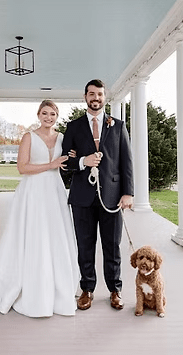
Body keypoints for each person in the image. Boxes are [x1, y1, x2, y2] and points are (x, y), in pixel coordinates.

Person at [0, 100, 79, 318]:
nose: (49, 117)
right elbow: (22, 168)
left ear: (57, 116)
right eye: (45, 113)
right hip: (33, 192)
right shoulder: (29, 136)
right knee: (34, 235)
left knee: (56, 235)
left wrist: (70, 158)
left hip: (55, 191)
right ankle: (32, 286)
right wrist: (51, 165)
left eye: (53, 114)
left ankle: (57, 285)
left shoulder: (63, 138)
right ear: (38, 114)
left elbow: (65, 162)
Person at [62, 79, 134, 310]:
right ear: (85, 97)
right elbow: (66, 161)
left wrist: (128, 193)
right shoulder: (73, 127)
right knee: (85, 245)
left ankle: (115, 290)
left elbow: (126, 162)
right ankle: (87, 289)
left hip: (112, 196)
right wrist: (83, 161)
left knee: (112, 246)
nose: (96, 98)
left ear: (105, 97)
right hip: (82, 196)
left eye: (100, 94)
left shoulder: (119, 126)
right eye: (91, 94)